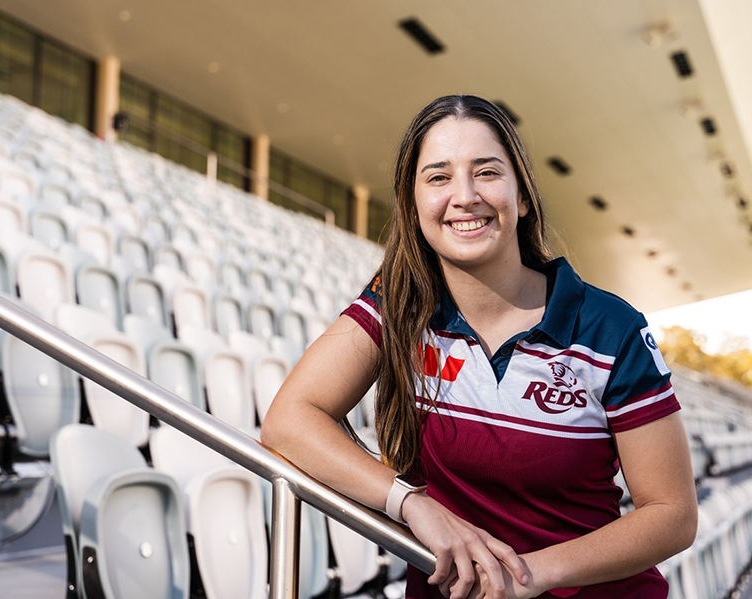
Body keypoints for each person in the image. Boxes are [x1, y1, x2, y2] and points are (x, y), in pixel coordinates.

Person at [261, 95, 698, 599]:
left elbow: (672, 514)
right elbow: (289, 420)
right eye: (438, 177)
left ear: (524, 196)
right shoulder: (398, 302)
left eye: (487, 172)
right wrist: (409, 503)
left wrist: (527, 576)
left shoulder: (610, 327)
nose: (464, 196)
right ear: (412, 203)